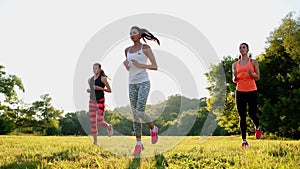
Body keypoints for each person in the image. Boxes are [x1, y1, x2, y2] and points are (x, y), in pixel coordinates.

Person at [123, 26, 159, 155]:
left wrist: (140, 65)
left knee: (139, 111)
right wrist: (127, 65)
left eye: (134, 33)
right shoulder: (127, 50)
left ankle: (153, 128)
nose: (132, 35)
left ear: (140, 35)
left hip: (144, 82)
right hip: (131, 84)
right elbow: (130, 69)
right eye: (130, 33)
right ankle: (138, 145)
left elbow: (155, 66)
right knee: (135, 116)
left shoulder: (146, 48)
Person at [232, 42, 262, 149]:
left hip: (252, 91)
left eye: (243, 47)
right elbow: (234, 80)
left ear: (247, 49)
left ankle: (257, 127)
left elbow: (257, 77)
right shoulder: (235, 64)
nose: (241, 49)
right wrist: (235, 76)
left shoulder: (253, 62)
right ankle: (244, 141)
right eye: (240, 47)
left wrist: (252, 74)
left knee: (252, 113)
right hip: (240, 91)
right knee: (242, 116)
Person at [87, 63, 113, 145]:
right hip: (92, 101)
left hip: (100, 101)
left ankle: (109, 126)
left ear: (100, 69)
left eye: (96, 68)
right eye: (93, 68)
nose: (94, 70)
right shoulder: (89, 80)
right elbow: (93, 90)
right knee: (93, 122)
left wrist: (100, 88)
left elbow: (109, 90)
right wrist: (90, 90)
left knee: (99, 121)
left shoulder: (103, 79)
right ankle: (95, 142)